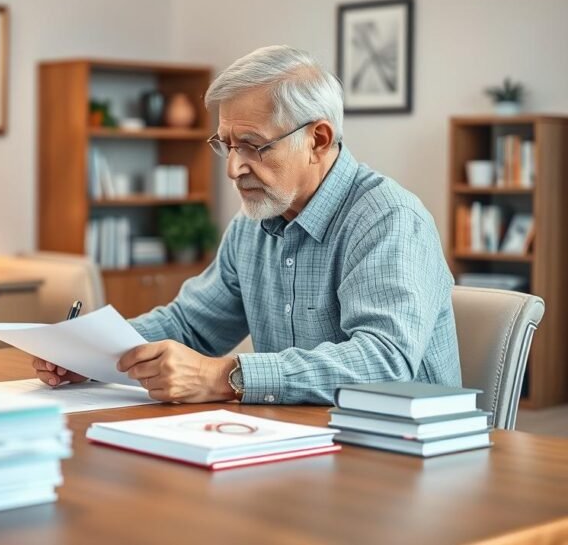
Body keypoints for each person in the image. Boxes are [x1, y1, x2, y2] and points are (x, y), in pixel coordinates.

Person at [35, 45, 461, 405]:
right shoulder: (253, 224)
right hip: (300, 446)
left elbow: (385, 361)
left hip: (400, 456)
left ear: (318, 140)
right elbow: (191, 326)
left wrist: (226, 377)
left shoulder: (388, 219)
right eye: (227, 145)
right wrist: (89, 351)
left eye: (254, 146)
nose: (234, 168)